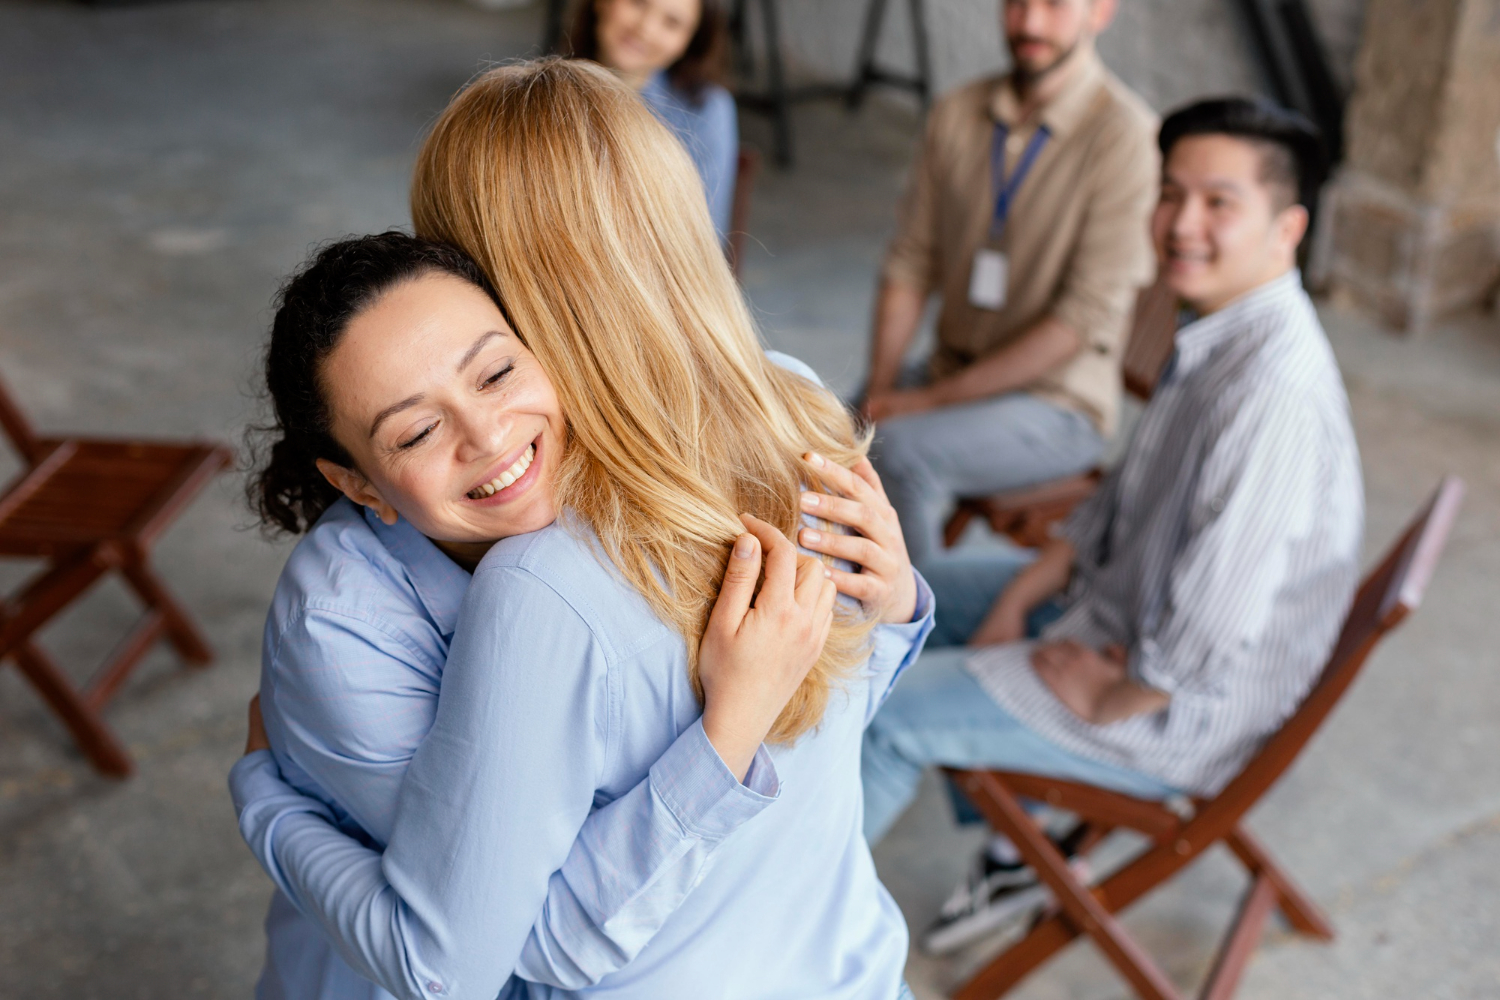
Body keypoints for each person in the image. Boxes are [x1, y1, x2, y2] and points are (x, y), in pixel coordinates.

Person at [230, 59, 933, 1000]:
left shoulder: (543, 586)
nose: (482, 433)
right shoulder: (795, 401)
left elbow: (477, 958)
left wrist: (266, 800)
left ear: (485, 278)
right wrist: (889, 617)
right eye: (418, 426)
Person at [860, 96, 1364, 956]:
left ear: (1287, 228)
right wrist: (1023, 593)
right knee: (890, 600)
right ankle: (1017, 842)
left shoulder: (1273, 390)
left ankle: (778, 949)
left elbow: (1219, 610)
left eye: (1218, 202)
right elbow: (1117, 502)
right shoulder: (1218, 332)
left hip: (1173, 708)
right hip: (1112, 614)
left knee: (880, 716)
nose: (1181, 223)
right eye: (1171, 195)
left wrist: (1117, 695)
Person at [862, 0, 1160, 570]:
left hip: (1056, 403)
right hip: (950, 369)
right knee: (817, 427)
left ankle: (909, 634)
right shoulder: (956, 112)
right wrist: (880, 392)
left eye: (1053, 5)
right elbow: (909, 263)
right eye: (1017, 4)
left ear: (1100, 11)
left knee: (900, 455)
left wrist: (921, 403)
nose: (1029, 24)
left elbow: (1078, 322)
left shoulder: (1127, 140)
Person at [569, 0, 738, 236]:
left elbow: (704, 239)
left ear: (691, 40)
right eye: (637, 2)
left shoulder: (706, 110)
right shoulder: (539, 92)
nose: (645, 28)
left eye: (672, 23)